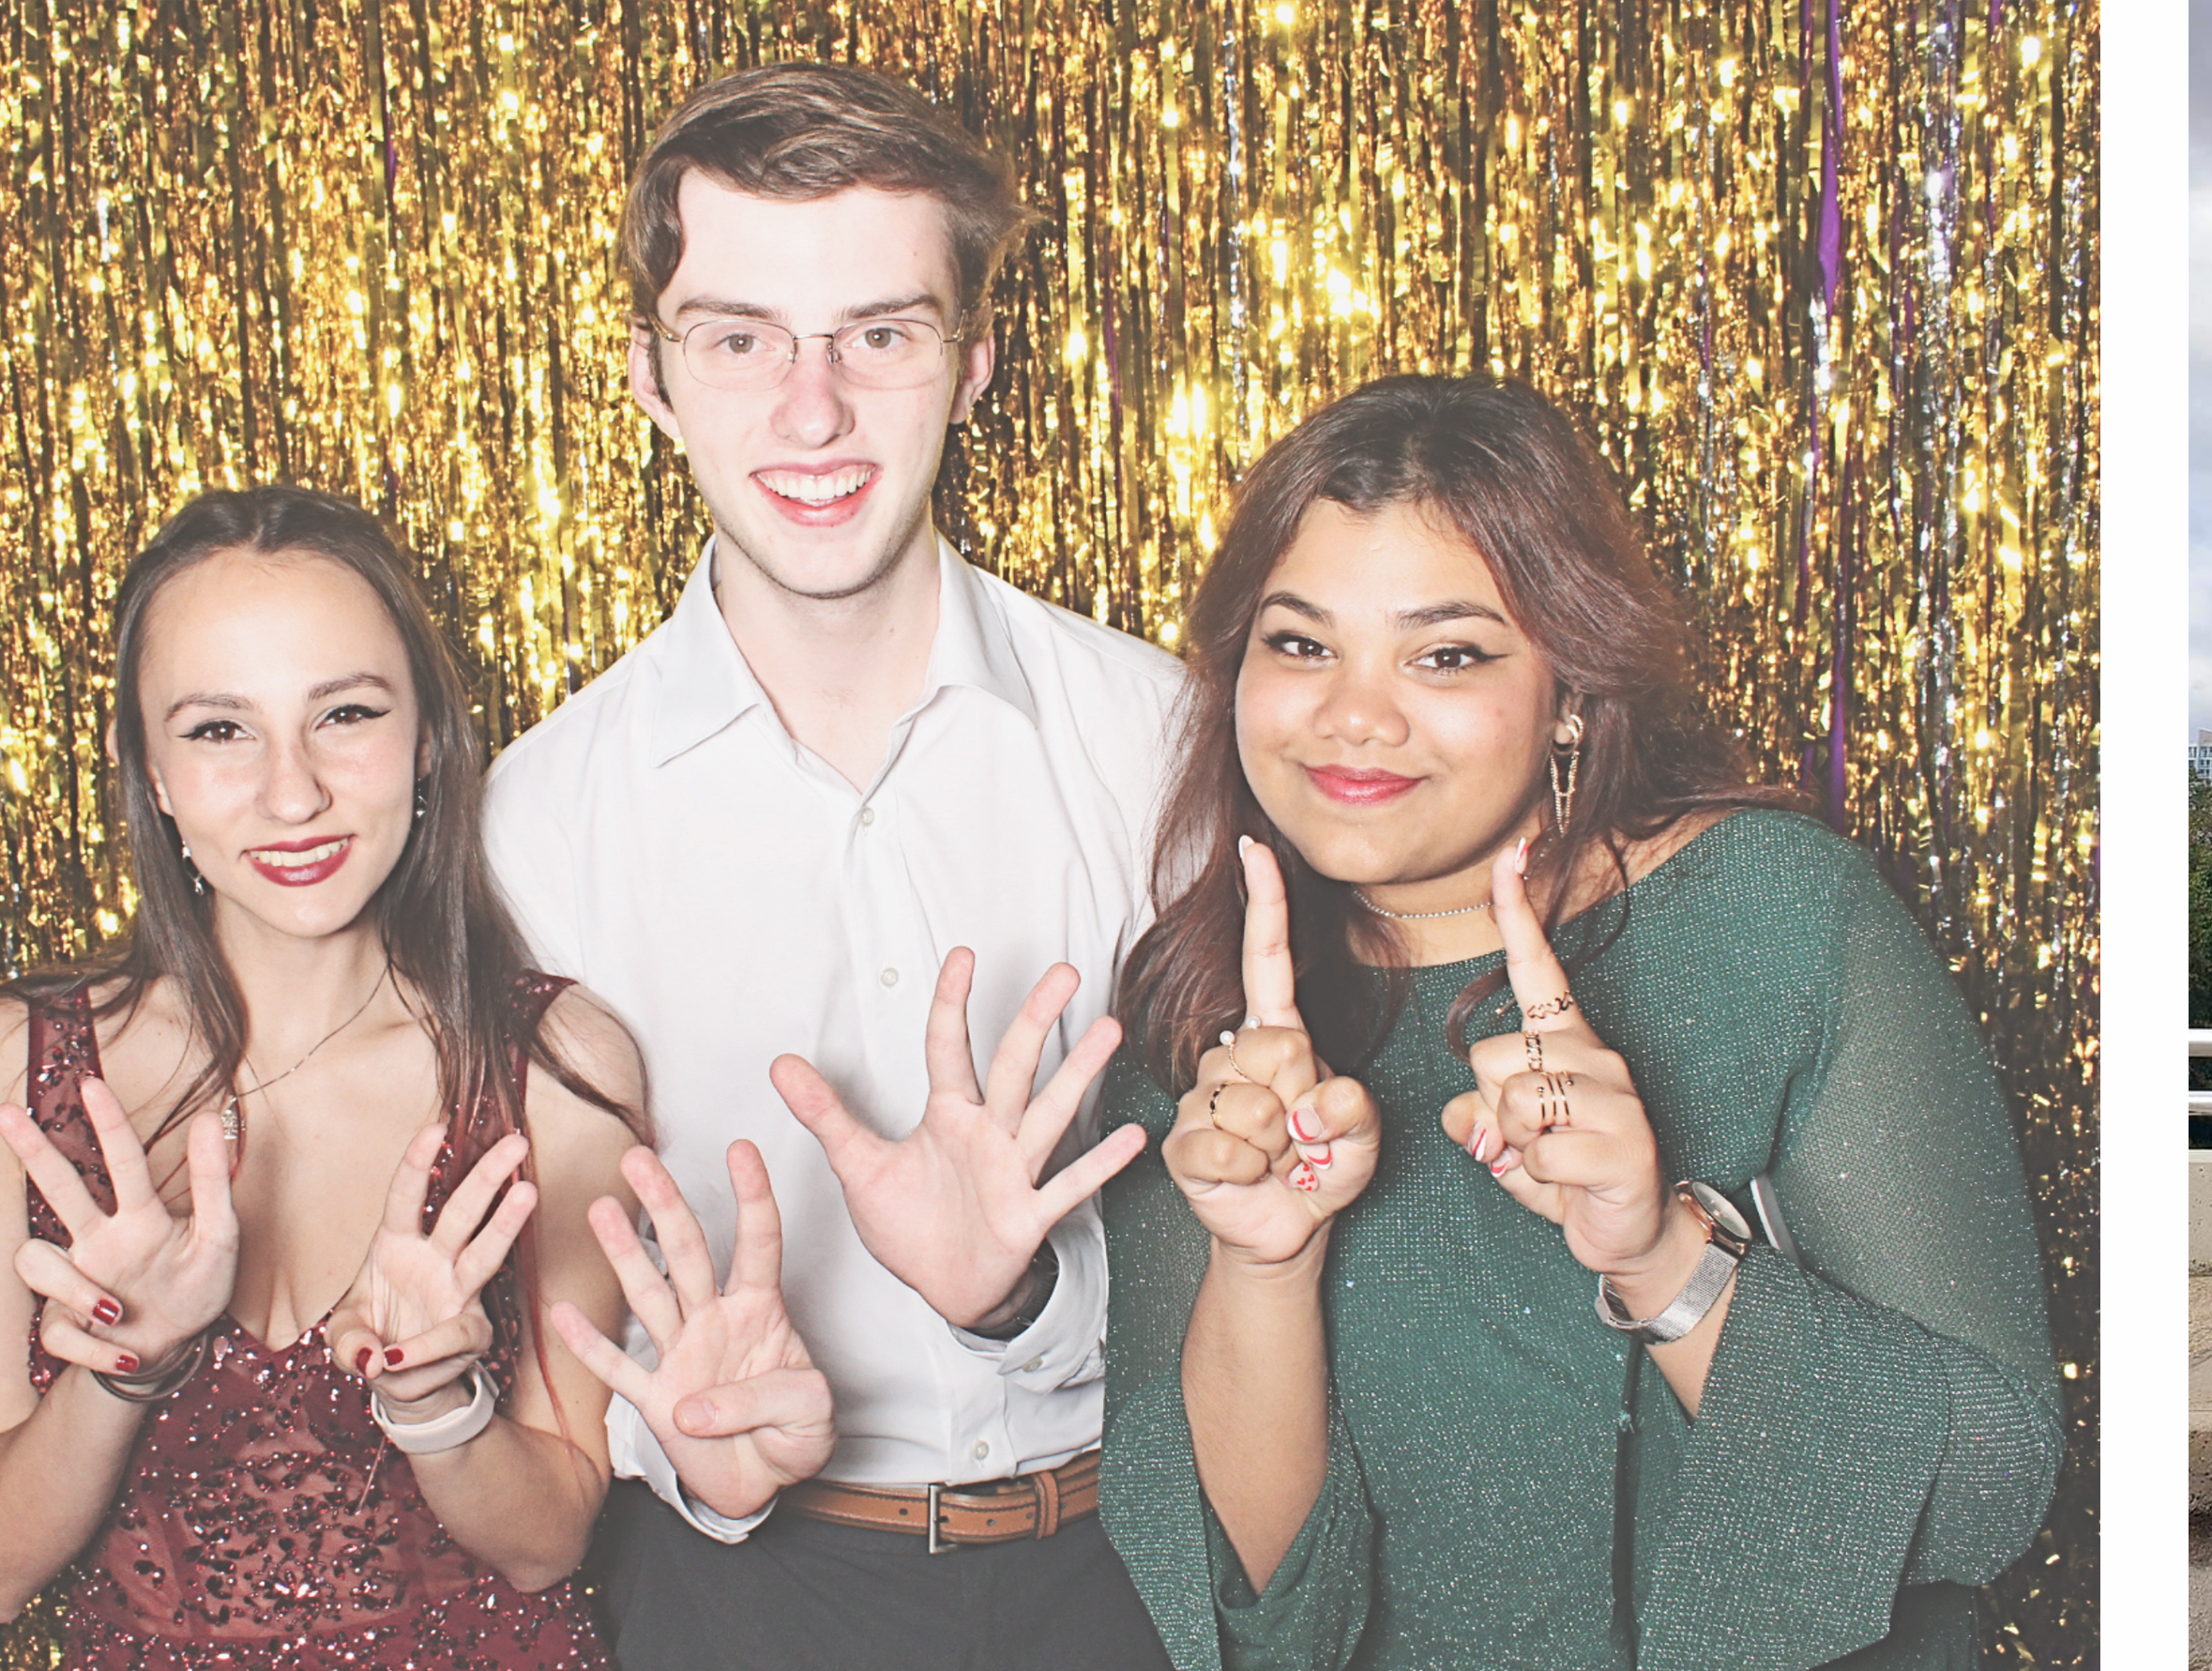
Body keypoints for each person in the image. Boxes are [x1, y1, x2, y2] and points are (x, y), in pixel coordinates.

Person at [1105, 376, 2061, 1667]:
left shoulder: (1774, 917)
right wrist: (1264, 1267)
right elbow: (1251, 1610)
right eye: (1299, 643)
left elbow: (1989, 1484)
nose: (1352, 716)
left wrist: (1662, 1262)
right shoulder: (1200, 998)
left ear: (1568, 686)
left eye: (1446, 653)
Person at [480, 66, 1180, 1668]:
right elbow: (559, 1356)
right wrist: (707, 1450)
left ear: (975, 360)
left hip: (1128, 1575)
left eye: (881, 333)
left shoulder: (1161, 743)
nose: (813, 412)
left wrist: (1011, 1302)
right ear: (653, 376)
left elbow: (1253, 1245)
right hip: (735, 1595)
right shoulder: (533, 823)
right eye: (739, 339)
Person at [0, 488, 825, 1666]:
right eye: (219, 730)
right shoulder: (6, 1069)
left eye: (346, 714)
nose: (293, 790)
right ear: (149, 771)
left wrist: (435, 1402)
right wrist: (123, 1368)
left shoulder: (551, 1067)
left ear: (425, 740)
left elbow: (545, 1540)